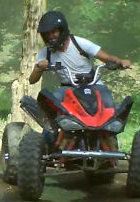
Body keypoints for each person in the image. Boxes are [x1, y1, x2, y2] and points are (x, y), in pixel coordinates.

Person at [28, 10, 132, 159]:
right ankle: (50, 139)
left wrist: (120, 62)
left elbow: (107, 57)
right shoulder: (46, 53)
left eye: (54, 32)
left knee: (108, 107)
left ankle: (109, 142)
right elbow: (32, 80)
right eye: (47, 34)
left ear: (62, 30)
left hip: (93, 84)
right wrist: (39, 67)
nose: (51, 36)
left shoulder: (78, 43)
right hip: (67, 88)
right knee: (51, 104)